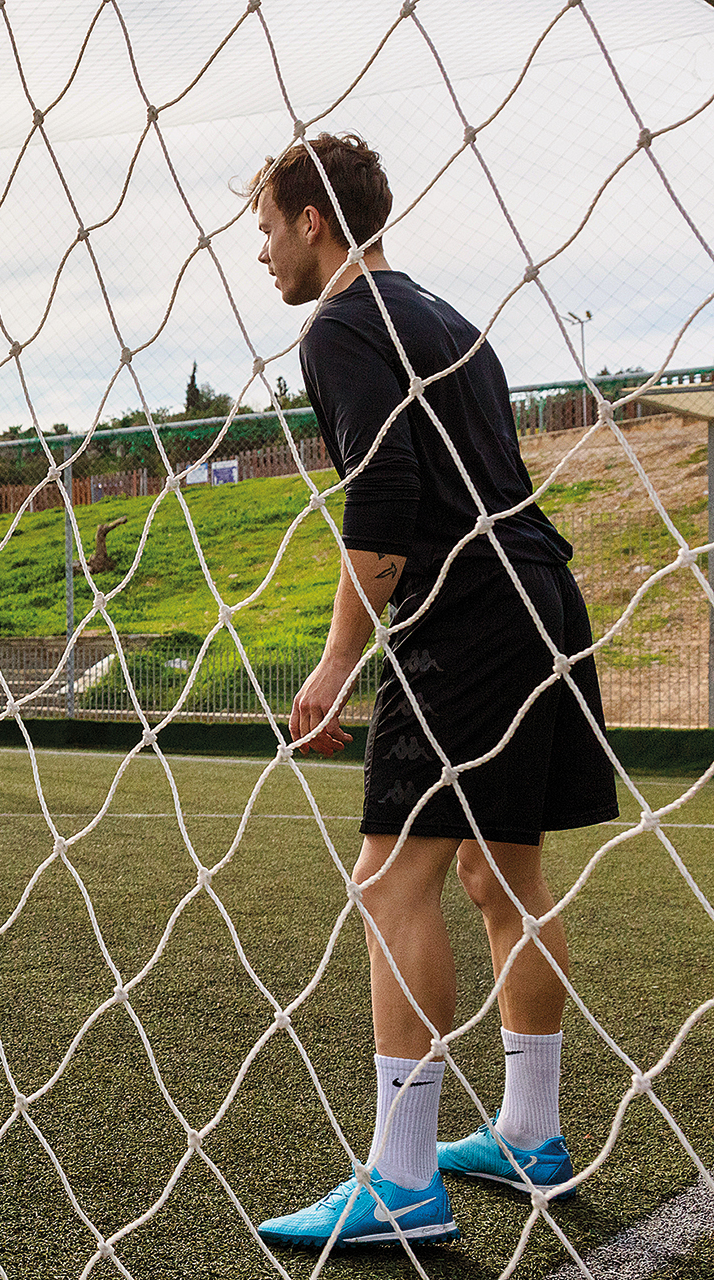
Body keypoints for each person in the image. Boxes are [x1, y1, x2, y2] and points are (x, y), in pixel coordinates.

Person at [246, 134, 618, 1249]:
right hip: (543, 594)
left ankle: (404, 1179)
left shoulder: (345, 325)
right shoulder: (452, 320)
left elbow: (388, 505)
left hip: (466, 616)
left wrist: (333, 662)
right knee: (499, 870)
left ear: (314, 220)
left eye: (267, 227)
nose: (262, 253)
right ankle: (530, 1132)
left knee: (387, 878)